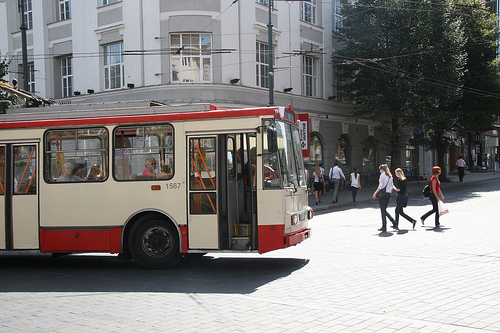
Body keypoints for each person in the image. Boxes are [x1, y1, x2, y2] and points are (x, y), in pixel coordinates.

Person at [372, 164, 396, 232]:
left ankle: (384, 226)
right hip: (388, 194)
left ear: (382, 169)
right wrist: (390, 195)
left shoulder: (382, 175)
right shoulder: (390, 176)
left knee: (383, 210)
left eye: (380, 170)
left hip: (383, 194)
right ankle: (393, 222)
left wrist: (375, 193)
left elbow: (381, 186)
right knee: (384, 210)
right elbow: (391, 187)